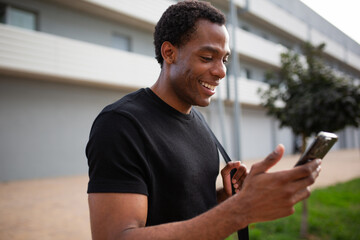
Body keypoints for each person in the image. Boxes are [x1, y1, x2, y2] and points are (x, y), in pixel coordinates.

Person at [86, 1, 321, 239]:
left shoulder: (198, 121)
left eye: (224, 59)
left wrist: (229, 199)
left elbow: (185, 211)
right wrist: (240, 210)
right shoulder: (121, 124)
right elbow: (116, 236)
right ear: (169, 53)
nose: (221, 72)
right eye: (208, 57)